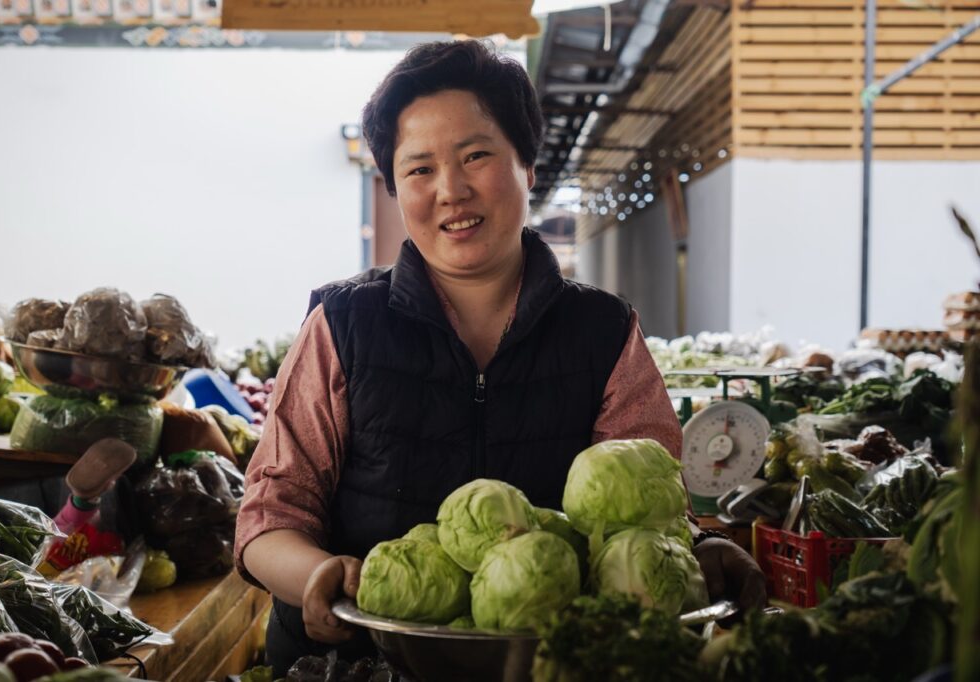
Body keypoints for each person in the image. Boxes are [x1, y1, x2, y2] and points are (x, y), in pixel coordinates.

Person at [235, 40, 765, 676]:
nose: (451, 191)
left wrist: (701, 550)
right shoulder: (342, 326)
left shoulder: (603, 330)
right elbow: (269, 516)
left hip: (545, 665)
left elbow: (654, 511)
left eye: (477, 156)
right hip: (355, 662)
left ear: (527, 167)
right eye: (420, 169)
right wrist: (317, 574)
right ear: (396, 187)